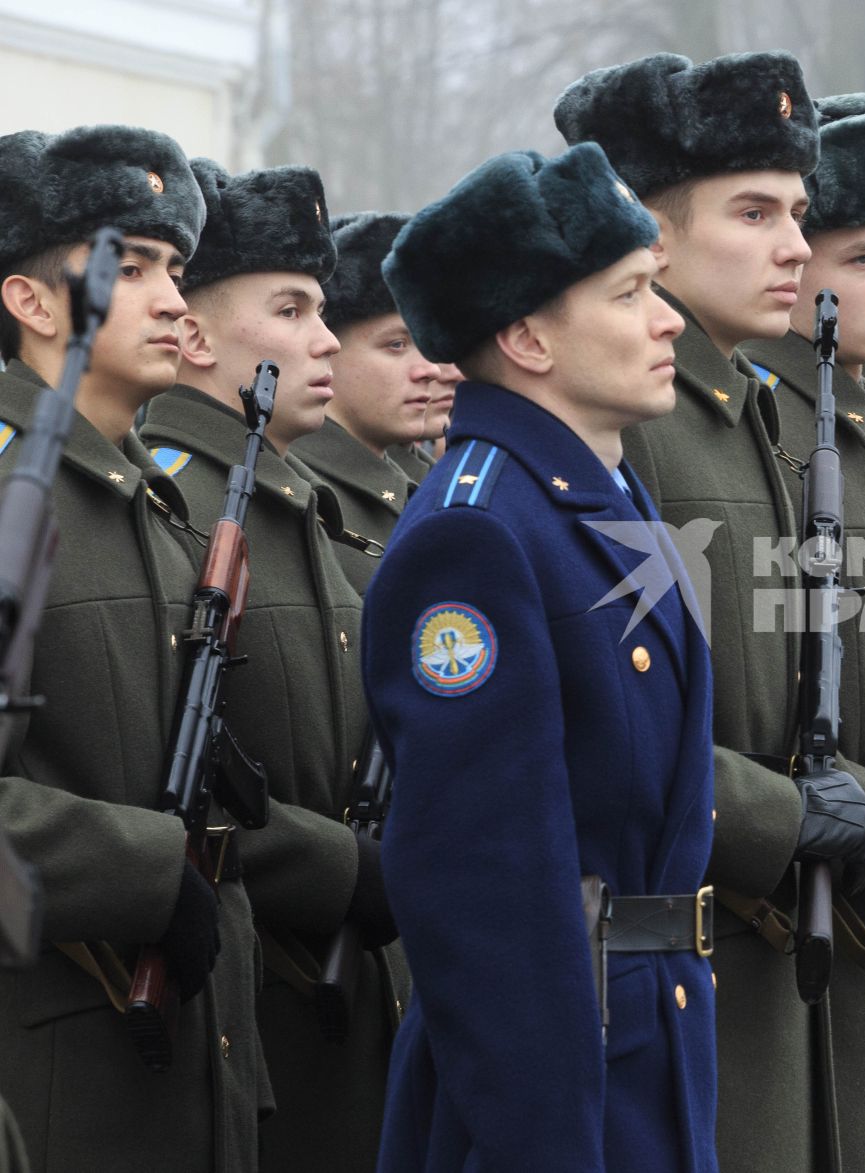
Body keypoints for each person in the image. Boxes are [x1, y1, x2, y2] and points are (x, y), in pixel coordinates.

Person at [558, 53, 865, 1172]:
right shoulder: (635, 427)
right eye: (756, 213)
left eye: (800, 215)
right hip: (717, 967)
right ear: (649, 233)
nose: (793, 247)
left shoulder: (751, 413)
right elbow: (620, 734)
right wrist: (833, 822)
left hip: (836, 961)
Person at [368, 140, 715, 1171]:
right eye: (630, 294)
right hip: (559, 1089)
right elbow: (484, 891)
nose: (669, 321)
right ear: (524, 335)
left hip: (650, 1051)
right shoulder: (475, 533)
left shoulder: (598, 493)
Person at [0, 123, 269, 1172]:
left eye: (177, 271)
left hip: (190, 1076)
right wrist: (146, 870)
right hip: (58, 1095)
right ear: (29, 302)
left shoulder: (150, 503)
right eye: (132, 265)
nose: (172, 299)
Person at [139, 157, 395, 1172]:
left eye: (324, 309)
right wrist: (344, 869)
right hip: (250, 1004)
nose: (324, 338)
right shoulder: (180, 508)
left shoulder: (298, 510)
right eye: (290, 308)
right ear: (194, 333)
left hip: (352, 1006)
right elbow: (183, 781)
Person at [292, 213, 460, 593]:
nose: (431, 370)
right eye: (396, 345)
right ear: (328, 348)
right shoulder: (302, 493)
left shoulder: (417, 481)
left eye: (426, 343)